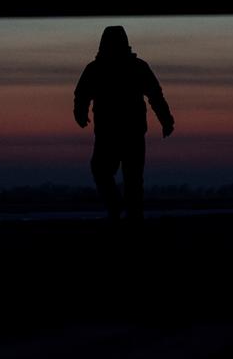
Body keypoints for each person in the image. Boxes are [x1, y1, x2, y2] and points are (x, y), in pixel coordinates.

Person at [73, 25, 174, 221]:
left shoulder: (111, 68)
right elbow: (82, 94)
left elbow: (155, 95)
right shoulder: (101, 69)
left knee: (128, 178)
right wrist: (80, 112)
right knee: (111, 173)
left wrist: (166, 119)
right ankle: (119, 209)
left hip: (125, 132)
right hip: (114, 132)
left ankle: (128, 215)